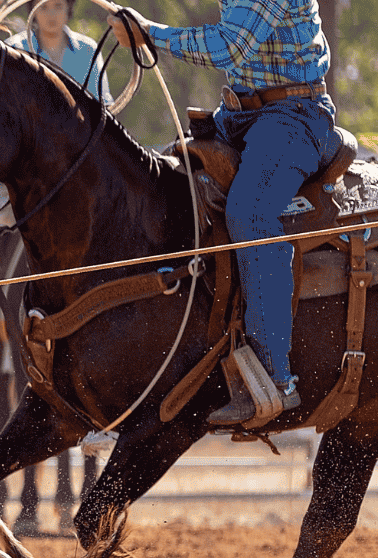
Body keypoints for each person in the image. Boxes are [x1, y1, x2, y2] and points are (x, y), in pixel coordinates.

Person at [108, 1, 335, 424]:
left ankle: (273, 378)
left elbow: (229, 46)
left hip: (293, 116)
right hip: (238, 116)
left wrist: (148, 33)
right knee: (166, 192)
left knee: (251, 214)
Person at [0, 0, 109, 532]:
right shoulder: (12, 52)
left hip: (72, 182)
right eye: (45, 5)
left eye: (60, 5)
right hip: (21, 181)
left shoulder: (88, 57)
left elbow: (103, 119)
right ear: (35, 11)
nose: (52, 13)